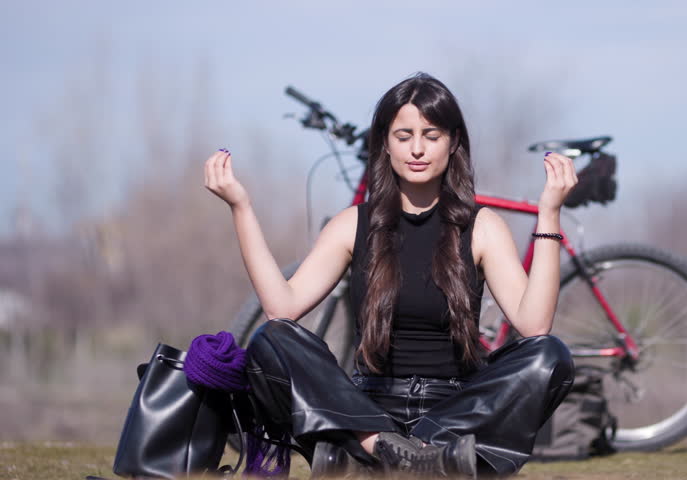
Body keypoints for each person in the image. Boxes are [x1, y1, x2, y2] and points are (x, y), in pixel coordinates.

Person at [203, 72, 578, 478]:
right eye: (404, 135)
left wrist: (550, 213)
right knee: (272, 338)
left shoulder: (483, 227)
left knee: (550, 354)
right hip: (368, 408)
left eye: (431, 135)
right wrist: (240, 207)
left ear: (453, 143)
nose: (417, 149)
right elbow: (282, 307)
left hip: (456, 412)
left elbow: (534, 325)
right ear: (385, 142)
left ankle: (418, 454)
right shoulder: (352, 225)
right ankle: (382, 449)